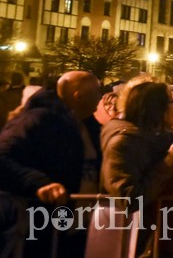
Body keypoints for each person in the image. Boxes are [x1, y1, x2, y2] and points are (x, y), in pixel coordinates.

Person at [0, 70, 102, 257]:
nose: (101, 97)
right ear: (78, 96)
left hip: (70, 223)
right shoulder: (37, 119)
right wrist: (40, 183)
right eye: (97, 91)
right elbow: (3, 158)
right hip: (36, 222)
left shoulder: (88, 125)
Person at [98, 81, 173, 256]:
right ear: (156, 108)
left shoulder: (164, 136)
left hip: (163, 229)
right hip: (130, 233)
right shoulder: (122, 143)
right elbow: (129, 197)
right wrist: (172, 160)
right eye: (172, 104)